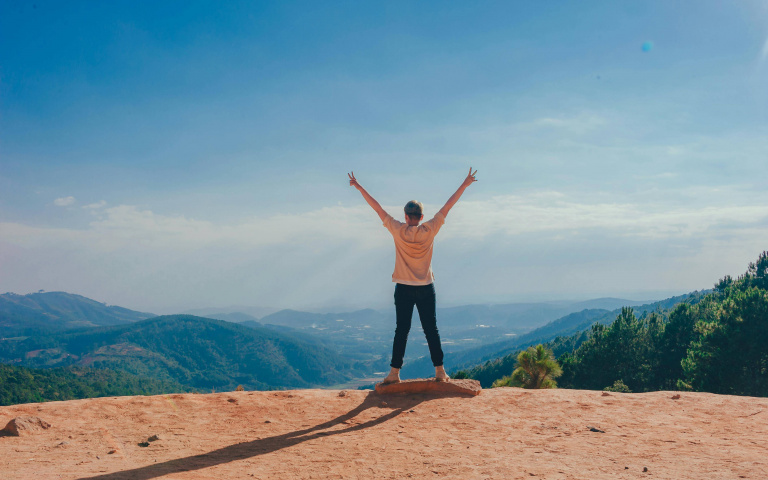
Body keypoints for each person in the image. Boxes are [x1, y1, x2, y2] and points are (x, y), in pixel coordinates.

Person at [348, 168, 478, 384]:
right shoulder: (430, 229)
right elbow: (448, 206)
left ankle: (394, 374)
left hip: (404, 287)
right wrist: (465, 184)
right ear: (422, 217)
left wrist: (359, 187)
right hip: (426, 286)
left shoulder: (398, 230)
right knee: (431, 330)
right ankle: (440, 372)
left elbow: (377, 208)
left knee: (402, 330)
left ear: (406, 216)